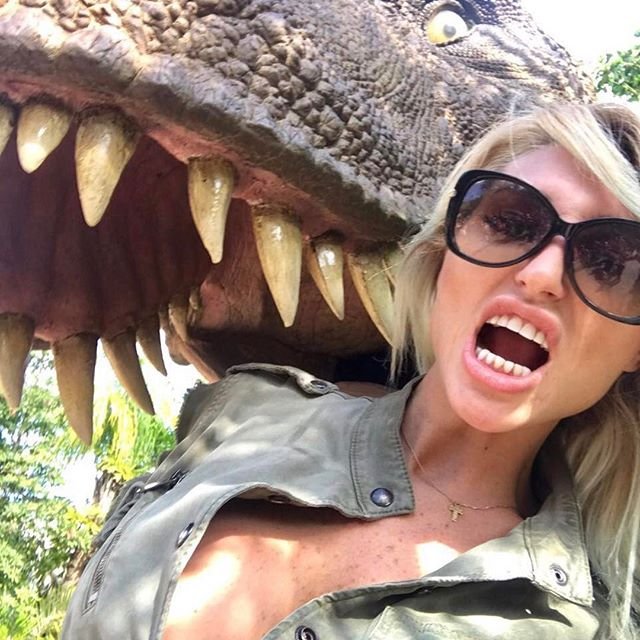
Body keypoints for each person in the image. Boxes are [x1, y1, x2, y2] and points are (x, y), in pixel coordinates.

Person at [62, 101, 640, 640]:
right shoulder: (247, 407)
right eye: (511, 220)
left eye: (610, 262)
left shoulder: (591, 624)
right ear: (443, 250)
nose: (542, 275)